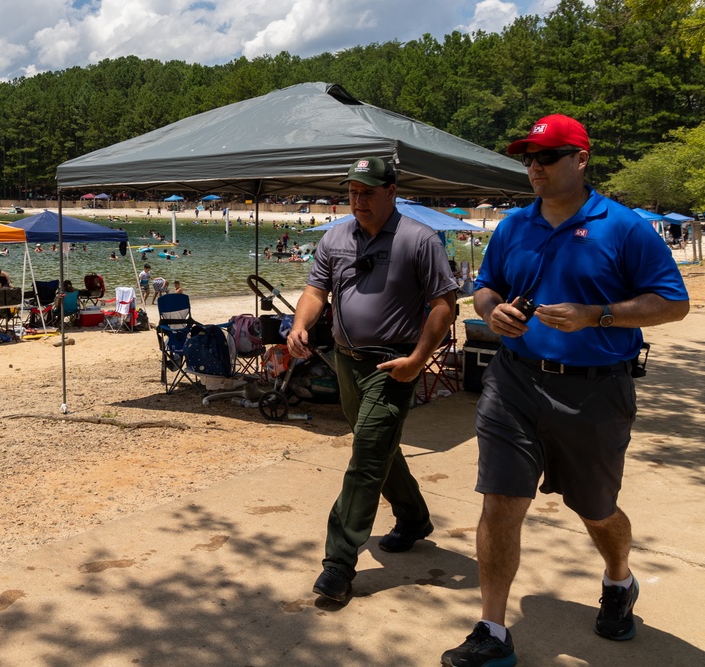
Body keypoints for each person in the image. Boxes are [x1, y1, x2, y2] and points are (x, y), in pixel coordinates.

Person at [440, 115, 690, 667]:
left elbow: (674, 303)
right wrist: (492, 311)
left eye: (547, 157)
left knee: (597, 510)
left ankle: (620, 581)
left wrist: (596, 316)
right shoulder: (512, 227)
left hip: (595, 391)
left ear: (581, 159)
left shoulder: (623, 227)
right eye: (529, 158)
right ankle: (492, 630)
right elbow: (486, 287)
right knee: (500, 503)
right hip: (514, 382)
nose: (534, 168)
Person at [285, 156, 457, 604]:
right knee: (376, 445)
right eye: (352, 192)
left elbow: (444, 306)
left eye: (367, 192)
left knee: (365, 458)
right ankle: (415, 518)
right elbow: (315, 290)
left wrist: (419, 360)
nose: (358, 201)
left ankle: (339, 562)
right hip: (346, 362)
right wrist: (299, 325)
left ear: (391, 192)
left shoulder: (420, 240)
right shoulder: (336, 236)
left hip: (392, 366)